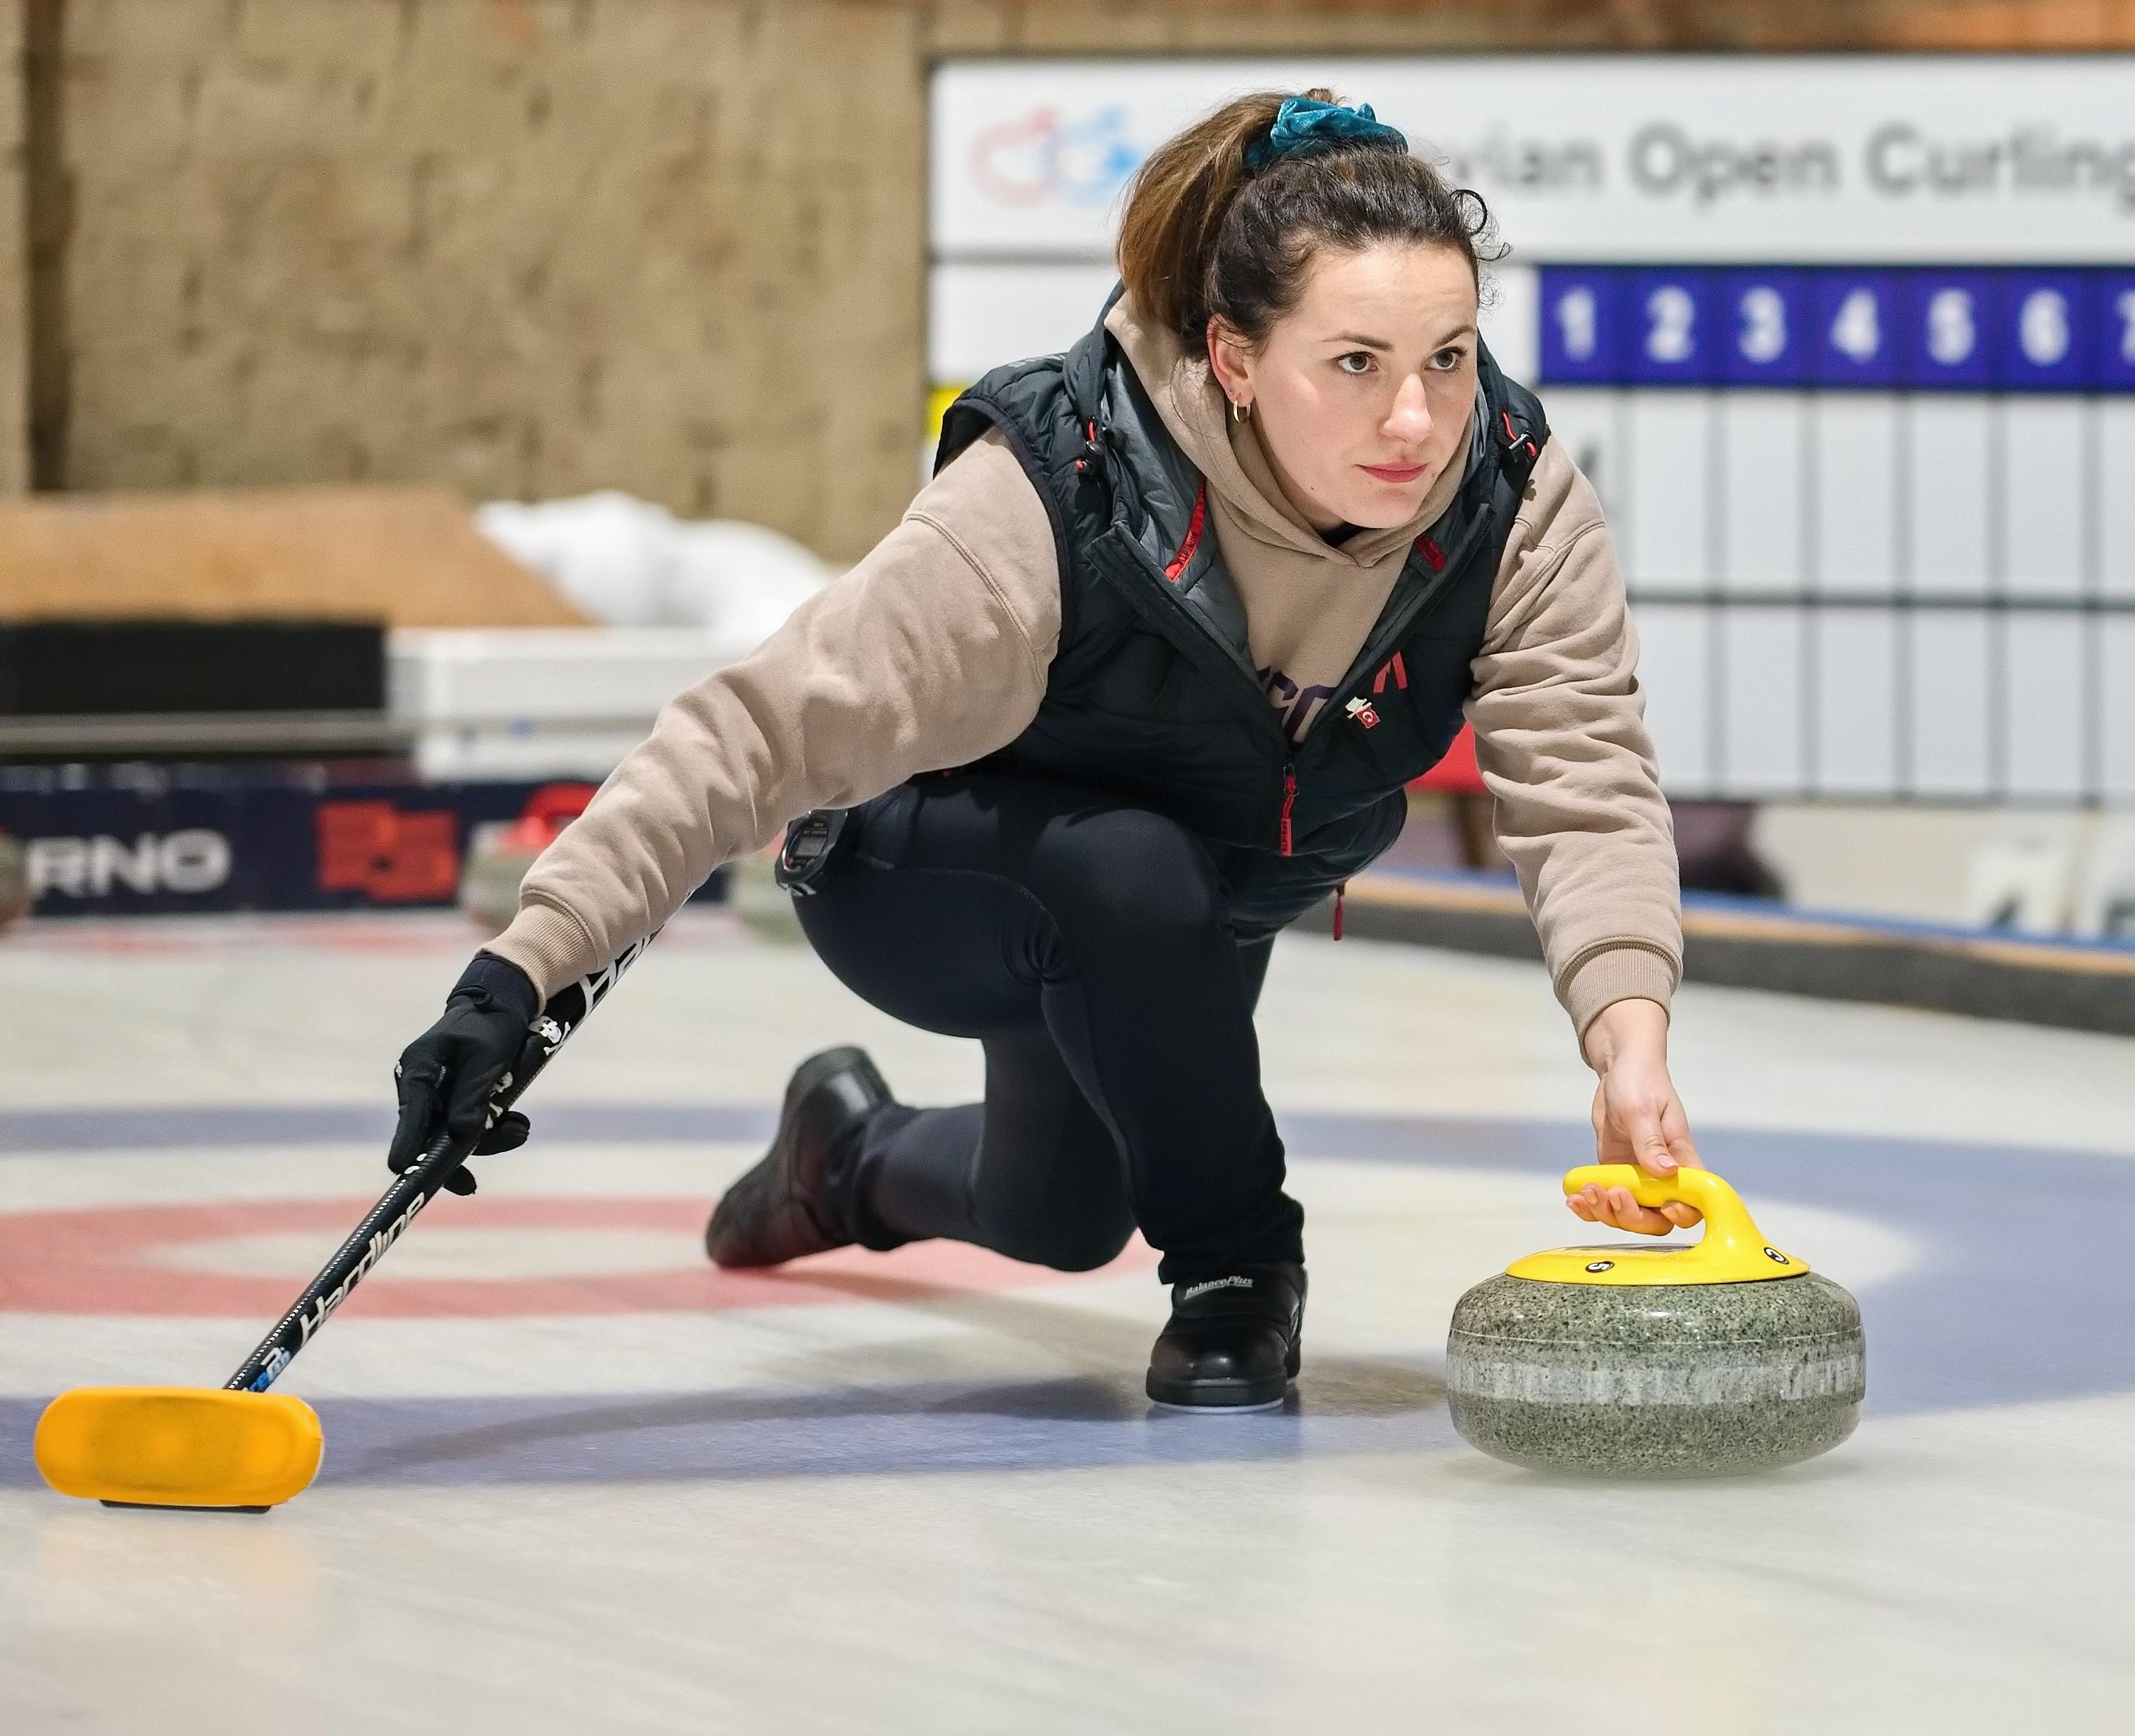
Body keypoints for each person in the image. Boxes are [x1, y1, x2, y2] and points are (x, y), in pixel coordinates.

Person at [387, 90, 1701, 1412]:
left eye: (1449, 359)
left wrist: (1628, 1038)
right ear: (1235, 359)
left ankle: (843, 1156)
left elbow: (1584, 774)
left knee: (1062, 1213)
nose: (1416, 420)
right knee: (1132, 872)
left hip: (1188, 895)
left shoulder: (1510, 496)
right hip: (928, 867)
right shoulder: (1062, 489)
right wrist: (520, 972)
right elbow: (761, 727)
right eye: (1356, 364)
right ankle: (1239, 1266)